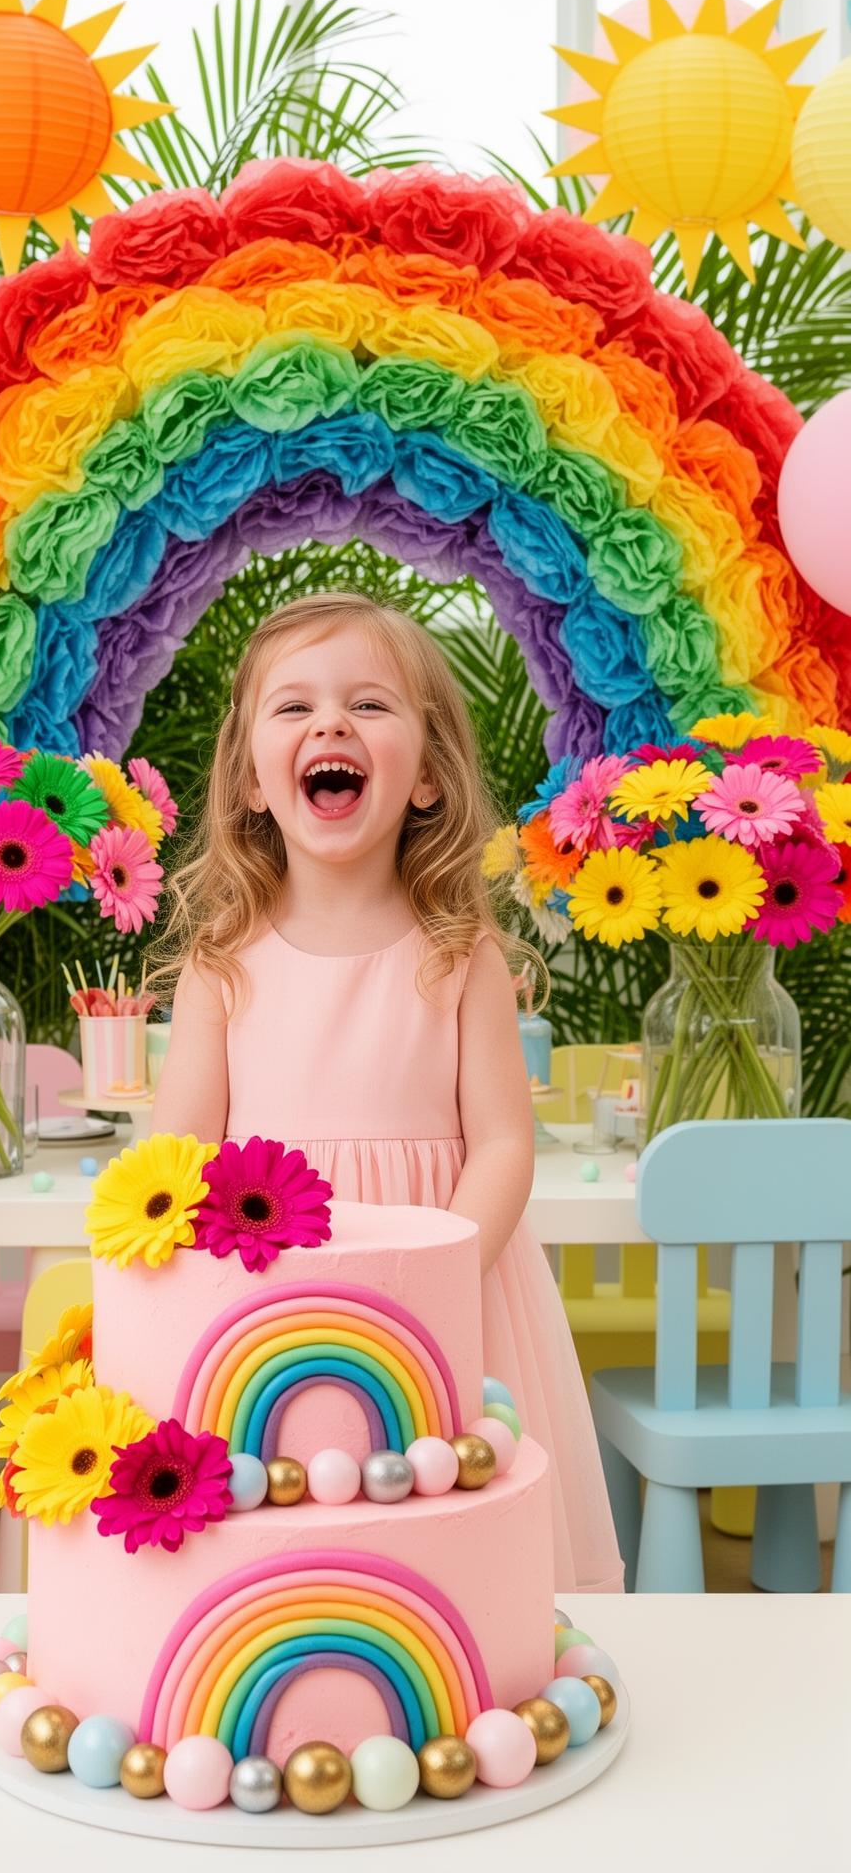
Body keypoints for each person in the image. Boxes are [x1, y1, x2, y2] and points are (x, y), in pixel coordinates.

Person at [147, 588, 623, 1592]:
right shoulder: (220, 965)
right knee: (288, 1513)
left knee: (443, 1520)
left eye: (369, 704)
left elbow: (501, 1144)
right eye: (295, 707)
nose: (330, 724)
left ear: (426, 780)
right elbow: (176, 1156)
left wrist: (439, 1267)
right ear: (248, 784)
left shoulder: (461, 957)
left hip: (447, 1288)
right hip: (264, 1299)